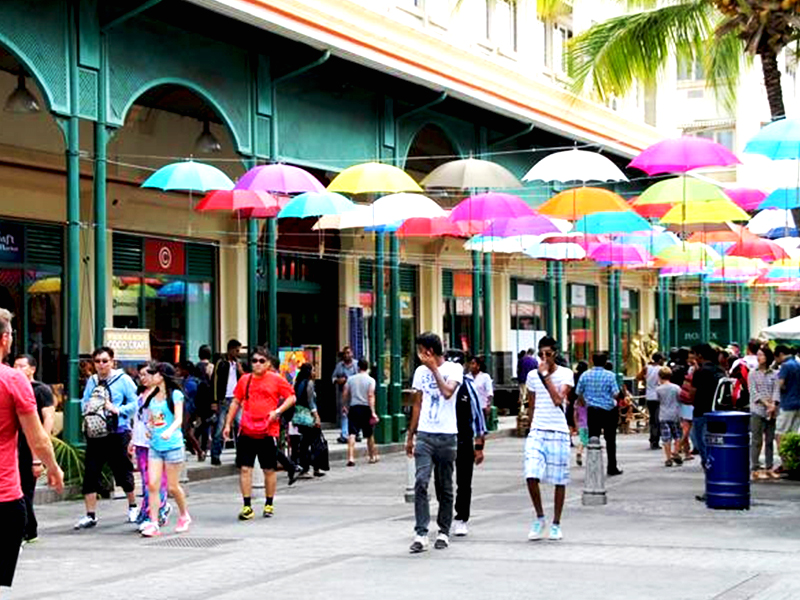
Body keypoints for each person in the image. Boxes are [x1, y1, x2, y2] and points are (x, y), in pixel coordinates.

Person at [0, 309, 63, 591]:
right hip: (3, 498)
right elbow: (37, 438)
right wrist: (54, 468)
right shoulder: (14, 381)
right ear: (4, 339)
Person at [406, 332, 463, 553]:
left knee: (445, 486)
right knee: (421, 481)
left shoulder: (454, 369)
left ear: (430, 351)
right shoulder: (420, 372)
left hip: (447, 436)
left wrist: (434, 370)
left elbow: (448, 392)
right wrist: (410, 435)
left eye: (421, 350)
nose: (420, 355)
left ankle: (443, 531)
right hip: (425, 434)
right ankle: (421, 532)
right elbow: (417, 404)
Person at [224, 347, 297, 520]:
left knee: (269, 470)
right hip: (247, 430)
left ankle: (269, 503)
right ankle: (247, 507)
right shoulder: (245, 379)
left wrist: (277, 412)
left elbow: (291, 397)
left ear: (269, 364)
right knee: (245, 469)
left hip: (267, 431)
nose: (257, 364)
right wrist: (227, 424)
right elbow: (235, 402)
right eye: (254, 361)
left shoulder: (276, 380)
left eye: (261, 361)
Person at [75, 346, 140, 530]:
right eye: (97, 361)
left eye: (105, 361)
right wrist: (89, 413)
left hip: (117, 432)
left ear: (112, 361)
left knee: (122, 470)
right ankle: (90, 514)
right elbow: (85, 401)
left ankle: (132, 506)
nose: (101, 365)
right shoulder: (92, 381)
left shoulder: (124, 380)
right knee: (91, 473)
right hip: (95, 434)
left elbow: (136, 402)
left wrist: (118, 410)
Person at [524, 336, 573, 541]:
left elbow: (557, 400)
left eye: (548, 354)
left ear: (555, 354)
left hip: (558, 431)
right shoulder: (532, 376)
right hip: (538, 430)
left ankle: (556, 523)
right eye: (541, 354)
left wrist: (545, 377)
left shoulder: (566, 374)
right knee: (531, 473)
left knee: (558, 479)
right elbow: (532, 403)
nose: (544, 357)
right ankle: (540, 516)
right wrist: (529, 426)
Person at [140, 362, 191, 537]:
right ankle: (153, 523)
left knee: (172, 487)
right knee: (152, 485)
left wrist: (169, 431)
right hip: (155, 445)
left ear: (161, 376)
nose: (149, 377)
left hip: (173, 446)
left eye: (153, 373)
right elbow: (154, 419)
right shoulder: (152, 397)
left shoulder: (176, 395)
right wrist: (150, 427)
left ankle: (184, 515)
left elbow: (178, 419)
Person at [13, 354, 55, 544]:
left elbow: (48, 419)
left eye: (22, 366)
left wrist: (38, 456)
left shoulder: (41, 390)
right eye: (15, 366)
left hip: (31, 444)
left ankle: (25, 530)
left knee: (25, 490)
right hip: (13, 445)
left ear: (32, 369)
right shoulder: (10, 386)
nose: (18, 369)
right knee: (16, 490)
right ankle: (28, 528)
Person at [452, 355, 487, 538]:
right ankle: (444, 516)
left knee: (464, 481)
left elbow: (477, 415)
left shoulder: (468, 385)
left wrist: (479, 445)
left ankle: (461, 517)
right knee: (442, 481)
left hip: (464, 439)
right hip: (444, 439)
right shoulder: (438, 383)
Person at [131, 363, 169, 530]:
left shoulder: (160, 396)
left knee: (155, 480)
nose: (144, 378)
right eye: (141, 375)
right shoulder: (140, 394)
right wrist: (132, 440)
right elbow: (136, 419)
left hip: (154, 442)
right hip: (140, 441)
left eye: (147, 374)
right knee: (146, 479)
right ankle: (149, 510)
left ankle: (155, 511)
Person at [576, 352, 622, 477]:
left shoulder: (585, 375)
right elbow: (616, 393)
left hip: (592, 410)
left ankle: (593, 467)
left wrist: (585, 403)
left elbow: (578, 392)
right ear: (605, 361)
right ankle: (612, 466)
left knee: (593, 439)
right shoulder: (610, 375)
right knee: (610, 440)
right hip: (608, 410)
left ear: (592, 361)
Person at [690, 344, 725, 484]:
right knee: (715, 446)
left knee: (703, 446)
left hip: (701, 411)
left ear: (700, 355)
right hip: (717, 412)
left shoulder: (700, 372)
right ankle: (717, 478)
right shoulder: (720, 371)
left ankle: (711, 479)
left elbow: (692, 393)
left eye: (694, 354)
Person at [749, 345, 779, 480]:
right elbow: (753, 392)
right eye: (758, 355)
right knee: (756, 440)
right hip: (757, 409)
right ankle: (755, 467)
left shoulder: (774, 374)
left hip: (772, 411)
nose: (759, 357)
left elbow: (776, 390)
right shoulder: (753, 373)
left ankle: (769, 467)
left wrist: (773, 405)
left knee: (769, 440)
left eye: (762, 355)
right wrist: (766, 403)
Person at [211, 339, 243, 466]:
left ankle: (240, 456)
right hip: (224, 399)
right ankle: (215, 455)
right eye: (236, 350)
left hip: (236, 399)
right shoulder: (221, 363)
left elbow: (244, 379)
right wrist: (214, 400)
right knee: (220, 427)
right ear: (230, 349)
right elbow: (215, 381)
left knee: (240, 426)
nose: (238, 353)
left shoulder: (238, 364)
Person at [343, 359, 378, 466]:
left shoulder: (350, 379)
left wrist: (344, 405)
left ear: (358, 367)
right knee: (369, 434)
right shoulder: (371, 380)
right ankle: (372, 456)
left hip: (354, 407)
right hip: (366, 408)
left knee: (352, 433)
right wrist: (373, 412)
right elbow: (371, 395)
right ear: (367, 368)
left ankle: (351, 457)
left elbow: (345, 393)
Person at [294, 362, 325, 477]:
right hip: (308, 416)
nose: (314, 373)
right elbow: (311, 402)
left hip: (299, 416)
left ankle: (305, 467)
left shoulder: (297, 383)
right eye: (313, 370)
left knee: (304, 442)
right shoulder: (309, 383)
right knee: (315, 442)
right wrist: (316, 416)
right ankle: (314, 466)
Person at [775, 345, 800, 465]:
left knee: (780, 433)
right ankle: (793, 462)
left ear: (780, 354)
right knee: (793, 434)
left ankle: (785, 462)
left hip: (787, 403)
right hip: (798, 403)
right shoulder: (797, 363)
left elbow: (780, 384)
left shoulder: (785, 366)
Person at [656, 366, 683, 467]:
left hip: (663, 415)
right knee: (677, 435)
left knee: (666, 437)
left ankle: (668, 458)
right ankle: (675, 452)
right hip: (675, 414)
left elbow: (658, 400)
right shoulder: (676, 388)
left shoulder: (658, 389)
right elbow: (680, 398)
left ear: (659, 376)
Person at [332, 346, 359, 444]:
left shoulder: (356, 365)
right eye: (345, 353)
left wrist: (349, 379)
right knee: (344, 413)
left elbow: (360, 377)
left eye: (349, 353)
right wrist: (338, 380)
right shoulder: (339, 366)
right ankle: (344, 434)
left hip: (355, 393)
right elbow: (333, 378)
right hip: (343, 393)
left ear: (352, 354)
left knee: (355, 413)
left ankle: (355, 433)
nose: (347, 355)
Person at [638, 352, 664, 450]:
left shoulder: (646, 368)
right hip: (658, 396)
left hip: (649, 396)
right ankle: (655, 440)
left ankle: (652, 438)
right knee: (657, 419)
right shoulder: (661, 369)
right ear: (660, 360)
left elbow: (638, 377)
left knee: (652, 419)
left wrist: (645, 380)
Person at [677, 349, 697, 461]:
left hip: (685, 399)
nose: (690, 359)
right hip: (688, 400)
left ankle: (686, 451)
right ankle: (677, 449)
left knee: (685, 426)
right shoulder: (692, 369)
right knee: (686, 427)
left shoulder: (690, 369)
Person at [570, 361, 589, 466]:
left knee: (583, 440)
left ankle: (579, 452)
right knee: (588, 441)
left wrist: (576, 425)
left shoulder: (577, 404)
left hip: (581, 425)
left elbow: (575, 415)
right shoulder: (589, 403)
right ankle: (581, 453)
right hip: (589, 423)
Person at [466, 355, 494, 421]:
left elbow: (489, 392)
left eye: (473, 364)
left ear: (478, 366)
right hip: (471, 407)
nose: (471, 366)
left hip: (482, 406)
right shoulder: (467, 377)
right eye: (470, 363)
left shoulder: (485, 377)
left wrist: (488, 405)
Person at [517, 348, 537, 413]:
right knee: (529, 395)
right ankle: (528, 410)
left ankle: (522, 409)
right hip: (531, 381)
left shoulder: (521, 360)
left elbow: (518, 370)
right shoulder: (534, 361)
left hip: (522, 379)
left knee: (522, 394)